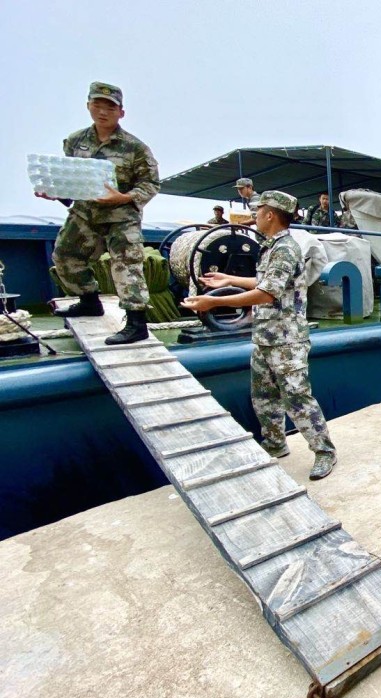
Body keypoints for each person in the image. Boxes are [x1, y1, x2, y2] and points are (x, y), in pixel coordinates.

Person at [180, 191, 337, 482]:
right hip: (266, 336)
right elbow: (265, 281)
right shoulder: (271, 247)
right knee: (264, 397)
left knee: (297, 398)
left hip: (286, 341)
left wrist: (213, 302)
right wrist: (229, 279)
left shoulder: (285, 248)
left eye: (258, 211)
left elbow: (266, 293)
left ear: (270, 215)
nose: (255, 216)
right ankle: (275, 445)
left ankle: (324, 451)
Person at [41, 81, 160, 346]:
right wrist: (55, 191)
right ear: (88, 106)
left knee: (126, 265)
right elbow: (70, 180)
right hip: (85, 213)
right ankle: (89, 301)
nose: (103, 112)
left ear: (121, 112)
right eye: (97, 105)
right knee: (64, 255)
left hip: (121, 216)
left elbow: (151, 184)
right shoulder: (75, 141)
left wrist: (124, 197)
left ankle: (137, 323)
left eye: (110, 107)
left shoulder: (135, 147)